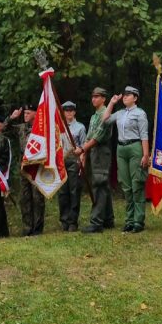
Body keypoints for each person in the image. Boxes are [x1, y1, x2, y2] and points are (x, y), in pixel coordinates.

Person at [100, 86, 150, 233]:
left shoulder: (140, 114)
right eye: (125, 95)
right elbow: (105, 120)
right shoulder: (120, 113)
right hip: (121, 148)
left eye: (129, 95)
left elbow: (144, 135)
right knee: (126, 185)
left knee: (137, 184)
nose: (125, 97)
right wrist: (111, 103)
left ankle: (138, 221)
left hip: (135, 147)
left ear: (135, 98)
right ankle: (129, 220)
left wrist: (145, 155)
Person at [79, 87, 115, 233]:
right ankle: (108, 218)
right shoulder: (94, 116)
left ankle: (96, 222)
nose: (94, 99)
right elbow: (89, 136)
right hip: (94, 151)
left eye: (97, 96)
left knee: (99, 184)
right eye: (92, 96)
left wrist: (82, 149)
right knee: (103, 185)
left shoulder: (105, 114)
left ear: (104, 99)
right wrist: (84, 154)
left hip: (101, 150)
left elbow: (98, 136)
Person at [10, 104, 46, 236]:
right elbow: (5, 129)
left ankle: (37, 228)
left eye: (28, 113)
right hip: (24, 167)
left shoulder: (41, 128)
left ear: (35, 114)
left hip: (37, 166)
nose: (25, 115)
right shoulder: (21, 128)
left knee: (37, 198)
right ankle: (27, 228)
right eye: (24, 113)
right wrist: (12, 118)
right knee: (25, 198)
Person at [58, 101, 86, 231]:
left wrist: (81, 158)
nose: (68, 113)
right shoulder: (59, 127)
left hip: (74, 160)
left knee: (74, 191)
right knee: (63, 192)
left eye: (71, 110)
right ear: (63, 113)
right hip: (62, 160)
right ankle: (64, 219)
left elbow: (84, 145)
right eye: (66, 111)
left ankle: (73, 221)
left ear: (74, 112)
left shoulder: (80, 127)